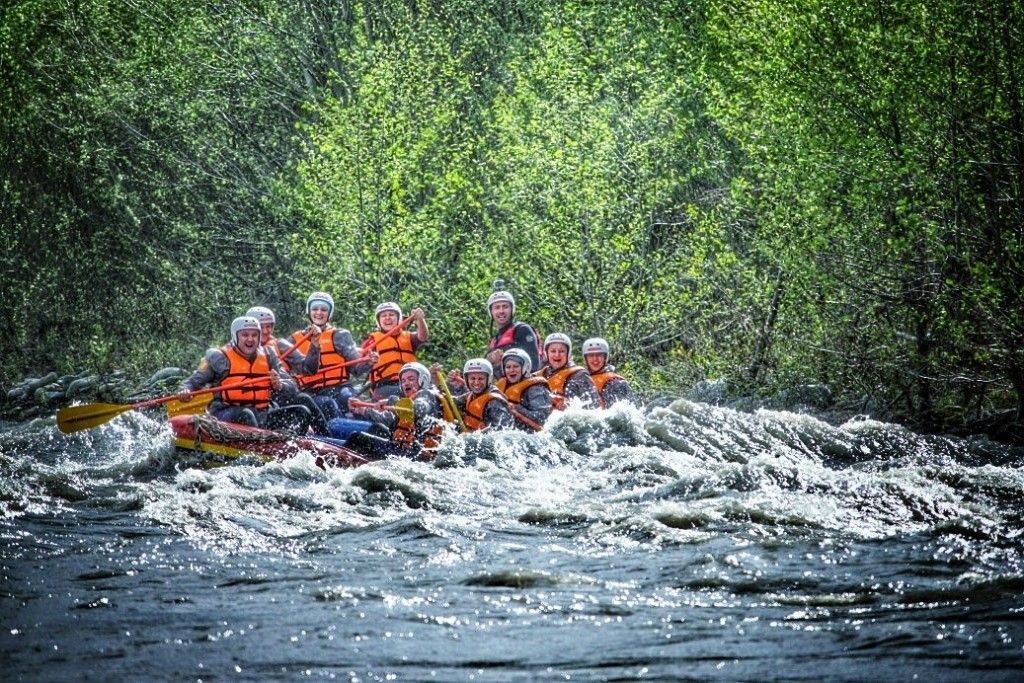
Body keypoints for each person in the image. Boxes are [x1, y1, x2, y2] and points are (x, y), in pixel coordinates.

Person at [178, 316, 312, 433]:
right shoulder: (219, 357)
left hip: (262, 413)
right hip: (227, 413)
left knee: (301, 411)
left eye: (254, 335)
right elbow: (192, 382)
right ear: (235, 336)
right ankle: (256, 453)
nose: (250, 339)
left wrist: (280, 385)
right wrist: (186, 390)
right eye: (245, 335)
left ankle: (289, 449)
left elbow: (292, 387)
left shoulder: (268, 355)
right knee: (246, 414)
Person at [288, 291, 374, 421]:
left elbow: (356, 369)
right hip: (312, 392)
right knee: (328, 403)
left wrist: (369, 362)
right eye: (315, 309)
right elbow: (284, 369)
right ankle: (342, 434)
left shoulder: (340, 335)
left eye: (324, 309)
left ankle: (370, 429)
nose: (319, 313)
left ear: (330, 314)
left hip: (340, 388)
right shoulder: (295, 340)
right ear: (309, 312)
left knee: (352, 401)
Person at [246, 305, 330, 434]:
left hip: (279, 396)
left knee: (303, 398)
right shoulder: (239, 349)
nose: (266, 331)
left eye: (269, 326)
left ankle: (326, 438)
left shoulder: (279, 344)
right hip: (254, 402)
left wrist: (314, 344)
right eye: (261, 327)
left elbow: (308, 369)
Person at [350, 361, 453, 458]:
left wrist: (391, 401)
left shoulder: (426, 395)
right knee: (377, 427)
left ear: (423, 380)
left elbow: (418, 410)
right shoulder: (408, 402)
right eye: (403, 381)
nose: (406, 383)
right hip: (407, 449)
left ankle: (343, 460)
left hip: (417, 454)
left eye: (411, 379)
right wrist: (362, 410)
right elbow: (388, 420)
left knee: (357, 437)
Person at [362, 302, 429, 401]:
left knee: (432, 393)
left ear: (399, 318)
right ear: (379, 321)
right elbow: (359, 364)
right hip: (383, 387)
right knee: (407, 392)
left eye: (391, 315)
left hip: (410, 384)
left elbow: (423, 336)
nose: (388, 318)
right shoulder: (372, 341)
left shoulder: (409, 337)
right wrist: (369, 360)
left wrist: (420, 319)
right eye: (383, 316)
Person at [484, 281, 543, 380]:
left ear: (512, 310)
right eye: (497, 307)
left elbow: (534, 364)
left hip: (526, 385)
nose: (501, 311)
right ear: (491, 312)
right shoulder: (494, 340)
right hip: (504, 387)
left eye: (505, 307)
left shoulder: (523, 330)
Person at [446, 358, 514, 431]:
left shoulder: (494, 402)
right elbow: (450, 402)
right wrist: (449, 385)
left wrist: (471, 438)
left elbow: (502, 432)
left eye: (481, 379)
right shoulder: (471, 395)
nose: (476, 382)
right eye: (472, 378)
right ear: (466, 380)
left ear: (489, 379)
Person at [536, 332, 599, 409]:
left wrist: (567, 406)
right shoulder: (539, 376)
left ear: (568, 353)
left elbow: (593, 406)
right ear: (546, 353)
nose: (557, 355)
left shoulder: (579, 375)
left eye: (562, 351)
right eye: (553, 351)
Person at [495, 348, 551, 431]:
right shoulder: (501, 386)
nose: (511, 370)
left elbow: (541, 418)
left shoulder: (535, 388)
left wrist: (517, 408)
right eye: (508, 367)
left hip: (531, 434)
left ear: (525, 367)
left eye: (516, 366)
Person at [581, 337, 636, 408]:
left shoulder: (617, 383)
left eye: (599, 355)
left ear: (605, 357)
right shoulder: (579, 381)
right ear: (585, 358)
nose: (595, 359)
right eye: (591, 355)